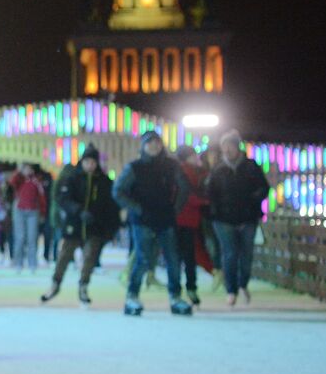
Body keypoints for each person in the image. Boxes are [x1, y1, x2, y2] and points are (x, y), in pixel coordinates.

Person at [114, 130, 193, 316]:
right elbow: (118, 191)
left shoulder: (171, 166)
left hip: (165, 218)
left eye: (157, 143)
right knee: (143, 258)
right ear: (143, 146)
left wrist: (176, 208)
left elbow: (184, 186)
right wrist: (137, 208)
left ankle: (175, 297)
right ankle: (132, 296)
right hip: (143, 220)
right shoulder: (135, 167)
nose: (154, 146)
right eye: (149, 143)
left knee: (173, 259)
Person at [41, 144, 119, 306]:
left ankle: (83, 285)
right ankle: (55, 283)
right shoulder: (72, 178)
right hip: (74, 225)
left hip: (94, 227)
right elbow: (63, 199)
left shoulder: (104, 182)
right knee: (64, 255)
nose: (90, 165)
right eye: (87, 161)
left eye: (93, 162)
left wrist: (110, 228)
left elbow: (110, 206)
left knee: (90, 257)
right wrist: (77, 211)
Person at [207, 129, 270, 307]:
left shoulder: (251, 166)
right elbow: (210, 193)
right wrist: (215, 210)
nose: (227, 150)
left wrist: (252, 201)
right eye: (224, 146)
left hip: (247, 218)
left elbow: (264, 188)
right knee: (230, 254)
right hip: (224, 219)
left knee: (247, 254)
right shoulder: (218, 170)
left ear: (237, 147)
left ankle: (243, 284)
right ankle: (231, 290)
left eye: (230, 146)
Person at [174, 144, 211, 305]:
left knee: (186, 256)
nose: (196, 158)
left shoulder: (198, 172)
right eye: (192, 155)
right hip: (183, 219)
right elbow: (187, 195)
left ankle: (188, 288)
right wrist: (206, 202)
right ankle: (186, 288)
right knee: (185, 256)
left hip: (190, 219)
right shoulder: (184, 172)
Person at [8, 162, 48, 272]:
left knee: (32, 238)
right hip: (19, 211)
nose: (27, 171)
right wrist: (19, 171)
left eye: (29, 168)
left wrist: (43, 213)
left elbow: (42, 197)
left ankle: (32, 263)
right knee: (19, 237)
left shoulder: (36, 181)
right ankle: (18, 263)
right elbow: (12, 182)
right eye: (25, 168)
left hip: (33, 211)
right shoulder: (19, 180)